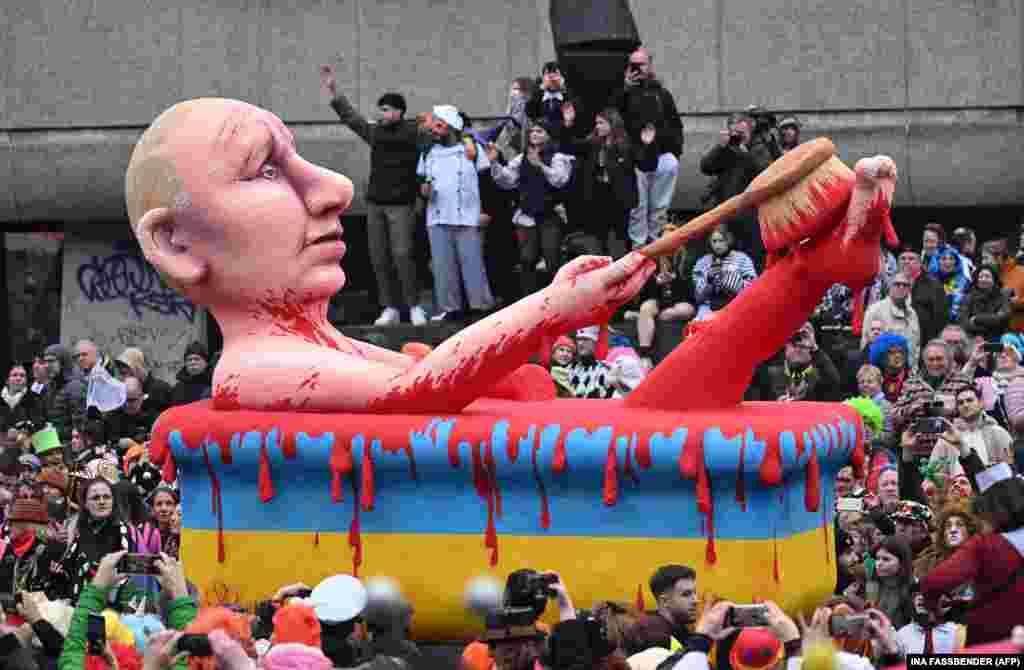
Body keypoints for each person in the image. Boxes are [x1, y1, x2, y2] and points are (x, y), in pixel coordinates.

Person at [125, 97, 655, 414]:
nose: (335, 188)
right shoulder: (253, 368)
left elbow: (420, 372)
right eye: (266, 168)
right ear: (177, 245)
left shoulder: (320, 344)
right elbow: (415, 390)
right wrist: (556, 308)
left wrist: (557, 302)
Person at [321, 65, 427, 327]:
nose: (383, 113)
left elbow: (434, 146)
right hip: (376, 203)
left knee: (402, 254)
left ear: (400, 111)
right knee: (379, 256)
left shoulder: (414, 132)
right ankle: (389, 306)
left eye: (388, 109)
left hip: (402, 203)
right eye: (381, 109)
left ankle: (413, 306)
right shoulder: (376, 132)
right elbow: (352, 119)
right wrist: (335, 92)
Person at [921, 462, 1024, 645]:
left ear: (991, 511)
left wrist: (932, 606)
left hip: (990, 645)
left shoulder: (985, 546)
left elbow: (933, 582)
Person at [418, 104, 498, 321]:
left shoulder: (472, 150)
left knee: (472, 264)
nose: (433, 130)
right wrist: (424, 191)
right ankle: (449, 308)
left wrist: (486, 210)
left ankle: (480, 308)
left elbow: (486, 181)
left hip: (469, 216)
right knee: (443, 266)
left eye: (438, 125)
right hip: (437, 216)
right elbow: (422, 183)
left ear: (450, 126)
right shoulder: (429, 153)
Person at [488, 120, 574, 295]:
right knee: (526, 260)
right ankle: (529, 301)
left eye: (539, 131)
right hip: (527, 216)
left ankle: (558, 299)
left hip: (549, 215)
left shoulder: (557, 157)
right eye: (532, 131)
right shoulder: (521, 158)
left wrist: (540, 165)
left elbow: (560, 180)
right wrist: (495, 163)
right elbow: (507, 181)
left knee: (552, 260)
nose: (534, 134)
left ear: (548, 135)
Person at [610, 46, 684, 250]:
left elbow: (676, 124)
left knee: (660, 205)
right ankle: (638, 246)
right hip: (634, 157)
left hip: (661, 155)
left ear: (649, 65)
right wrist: (625, 89)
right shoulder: (621, 93)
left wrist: (673, 151)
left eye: (640, 64)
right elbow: (613, 118)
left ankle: (655, 242)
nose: (637, 69)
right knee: (638, 206)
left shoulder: (662, 93)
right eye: (632, 65)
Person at [561, 107, 651, 255]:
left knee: (620, 238)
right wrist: (568, 124)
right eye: (597, 123)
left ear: (613, 124)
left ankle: (620, 268)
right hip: (597, 195)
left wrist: (648, 145)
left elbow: (646, 165)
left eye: (601, 123)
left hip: (619, 198)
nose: (597, 126)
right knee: (598, 238)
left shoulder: (626, 145)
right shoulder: (592, 144)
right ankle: (602, 268)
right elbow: (568, 147)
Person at [699, 114, 767, 268]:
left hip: (751, 215)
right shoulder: (725, 150)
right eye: (734, 134)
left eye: (742, 134)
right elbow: (705, 167)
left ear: (750, 132)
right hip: (726, 212)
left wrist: (745, 155)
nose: (738, 138)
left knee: (752, 259)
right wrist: (719, 147)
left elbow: (766, 174)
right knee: (724, 259)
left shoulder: (759, 149)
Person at [633, 224, 697, 366]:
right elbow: (645, 292)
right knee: (646, 308)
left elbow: (690, 291)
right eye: (665, 240)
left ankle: (647, 321)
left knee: (683, 310)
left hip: (679, 301)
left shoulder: (686, 259)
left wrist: (675, 281)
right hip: (658, 299)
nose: (669, 244)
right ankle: (645, 354)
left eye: (672, 240)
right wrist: (657, 282)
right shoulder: (653, 259)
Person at [61, 478, 136, 598]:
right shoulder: (80, 529)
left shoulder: (122, 531)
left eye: (106, 497)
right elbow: (69, 566)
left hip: (107, 605)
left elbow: (126, 575)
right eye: (95, 498)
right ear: (85, 503)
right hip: (77, 602)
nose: (102, 501)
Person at [930, 386, 1013, 478]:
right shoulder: (947, 437)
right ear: (957, 408)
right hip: (957, 489)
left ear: (981, 403)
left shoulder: (998, 433)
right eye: (960, 403)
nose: (965, 405)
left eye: (969, 400)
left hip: (991, 488)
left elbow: (1010, 469)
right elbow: (933, 471)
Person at [0, 498, 69, 600]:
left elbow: (55, 591)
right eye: (8, 521)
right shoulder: (4, 544)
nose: (8, 526)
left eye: (13, 522)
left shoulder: (48, 551)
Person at [623, 564, 697, 655]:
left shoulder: (680, 629)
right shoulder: (652, 635)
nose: (695, 600)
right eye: (686, 594)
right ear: (665, 601)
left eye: (694, 593)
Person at [762, 323, 840, 402]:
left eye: (803, 346)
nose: (798, 349)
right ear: (785, 346)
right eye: (794, 344)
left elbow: (833, 382)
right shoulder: (769, 374)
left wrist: (815, 349)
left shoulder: (819, 374)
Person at [692, 226, 756, 321]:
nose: (717, 245)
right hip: (708, 308)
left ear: (729, 240)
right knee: (702, 323)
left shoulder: (742, 259)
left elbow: (752, 291)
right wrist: (709, 282)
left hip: (736, 306)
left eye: (721, 241)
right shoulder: (702, 262)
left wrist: (727, 278)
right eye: (714, 241)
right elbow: (698, 298)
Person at [861, 272, 920, 369]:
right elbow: (866, 344)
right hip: (882, 373)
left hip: (907, 373)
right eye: (897, 284)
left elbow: (916, 345)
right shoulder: (875, 310)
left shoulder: (912, 313)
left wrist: (914, 369)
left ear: (910, 289)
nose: (901, 287)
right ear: (889, 287)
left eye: (905, 285)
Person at [897, 248, 948, 347]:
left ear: (920, 263)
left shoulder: (934, 285)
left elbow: (941, 318)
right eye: (903, 258)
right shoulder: (891, 284)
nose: (906, 261)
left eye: (911, 259)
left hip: (924, 341)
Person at [115, 347, 173, 419]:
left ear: (139, 367)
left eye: (128, 371)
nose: (125, 377)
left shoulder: (160, 389)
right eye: (122, 373)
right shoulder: (122, 390)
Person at [525, 61, 575, 143]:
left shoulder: (568, 94)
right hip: (541, 137)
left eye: (555, 74)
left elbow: (573, 112)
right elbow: (529, 112)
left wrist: (563, 89)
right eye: (548, 74)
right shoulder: (538, 93)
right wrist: (541, 89)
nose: (552, 78)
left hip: (563, 138)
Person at [960, 265, 1009, 340]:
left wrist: (976, 319)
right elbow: (964, 322)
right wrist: (988, 325)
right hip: (973, 338)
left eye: (987, 276)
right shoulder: (969, 297)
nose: (983, 279)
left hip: (997, 338)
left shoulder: (1003, 296)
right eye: (980, 277)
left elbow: (1000, 319)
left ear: (994, 279)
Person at [567, 327, 613, 399]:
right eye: (579, 339)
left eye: (585, 339)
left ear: (594, 343)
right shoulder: (569, 369)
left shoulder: (605, 370)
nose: (580, 343)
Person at [929, 247, 970, 322]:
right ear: (937, 261)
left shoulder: (963, 281)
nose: (947, 262)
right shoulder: (929, 279)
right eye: (943, 259)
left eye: (951, 259)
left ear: (956, 262)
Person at [170, 341, 213, 407]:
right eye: (189, 360)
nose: (193, 362)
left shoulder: (214, 384)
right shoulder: (178, 388)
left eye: (197, 359)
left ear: (206, 362)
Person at [1, 364, 38, 433]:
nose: (18, 378)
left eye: (22, 375)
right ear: (7, 380)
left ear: (26, 380)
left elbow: (38, 424)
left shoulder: (35, 399)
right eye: (14, 375)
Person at [149, 486, 181, 559]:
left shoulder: (184, 534)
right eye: (159, 504)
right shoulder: (145, 535)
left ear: (176, 506)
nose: (164, 508)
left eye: (169, 503)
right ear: (152, 509)